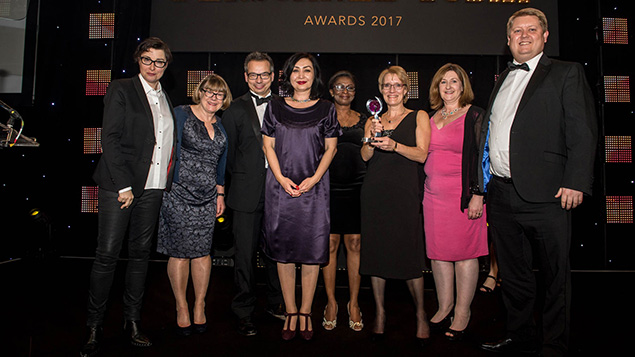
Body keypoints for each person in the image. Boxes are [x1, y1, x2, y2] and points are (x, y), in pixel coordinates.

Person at [479, 8, 597, 356]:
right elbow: (489, 135)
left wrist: (576, 180)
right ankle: (520, 335)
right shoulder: (501, 79)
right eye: (517, 31)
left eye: (532, 30)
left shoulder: (566, 73)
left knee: (554, 277)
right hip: (501, 194)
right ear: (508, 39)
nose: (524, 36)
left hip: (548, 194)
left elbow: (583, 131)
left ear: (545, 36)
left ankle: (554, 344)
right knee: (514, 276)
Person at [81, 37, 176, 357]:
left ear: (166, 65)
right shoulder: (121, 89)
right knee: (106, 256)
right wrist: (123, 187)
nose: (153, 66)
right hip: (119, 188)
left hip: (152, 189)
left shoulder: (165, 98)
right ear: (138, 60)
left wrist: (163, 183)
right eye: (148, 60)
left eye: (159, 62)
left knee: (139, 257)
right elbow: (109, 138)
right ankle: (94, 326)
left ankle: (132, 322)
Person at [261, 52, 340, 341]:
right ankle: (291, 310)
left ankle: (306, 310)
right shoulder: (275, 107)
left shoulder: (327, 108)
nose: (301, 75)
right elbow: (267, 146)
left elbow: (331, 149)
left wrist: (313, 179)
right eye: (296, 70)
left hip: (315, 189)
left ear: (315, 74)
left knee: (311, 251)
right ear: (288, 76)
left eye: (307, 69)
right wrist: (281, 179)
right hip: (280, 188)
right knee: (282, 251)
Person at [359, 65, 431, 344]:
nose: (392, 90)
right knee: (376, 254)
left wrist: (395, 145)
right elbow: (365, 156)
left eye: (397, 85)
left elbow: (422, 155)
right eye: (387, 85)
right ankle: (379, 312)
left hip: (404, 193)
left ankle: (421, 313)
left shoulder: (418, 116)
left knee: (409, 254)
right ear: (381, 90)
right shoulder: (372, 118)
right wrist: (371, 137)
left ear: (406, 89)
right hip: (375, 192)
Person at [156, 74, 230, 336]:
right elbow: (162, 146)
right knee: (180, 253)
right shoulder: (180, 114)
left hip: (208, 198)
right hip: (177, 195)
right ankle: (181, 307)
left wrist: (220, 194)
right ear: (200, 92)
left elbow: (220, 163)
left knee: (202, 253)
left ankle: (199, 305)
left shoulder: (220, 126)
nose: (213, 98)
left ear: (224, 99)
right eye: (209, 92)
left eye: (219, 94)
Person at [423, 63, 488, 341]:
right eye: (442, 82)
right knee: (438, 256)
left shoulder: (474, 115)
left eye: (453, 81)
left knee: (464, 256)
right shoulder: (429, 117)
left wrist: (478, 194)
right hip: (432, 197)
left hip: (464, 198)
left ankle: (462, 311)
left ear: (463, 86)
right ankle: (445, 304)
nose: (448, 87)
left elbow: (485, 157)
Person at [223, 52, 285, 337]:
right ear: (245, 76)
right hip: (246, 192)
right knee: (245, 257)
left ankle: (277, 303)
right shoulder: (234, 109)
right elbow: (229, 155)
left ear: (273, 76)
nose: (259, 80)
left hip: (279, 192)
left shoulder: (285, 106)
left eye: (264, 74)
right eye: (253, 74)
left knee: (277, 254)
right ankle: (244, 312)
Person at [321, 71, 367, 332]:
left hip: (357, 188)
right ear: (331, 90)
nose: (344, 91)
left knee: (355, 244)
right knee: (329, 245)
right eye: (339, 86)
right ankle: (330, 302)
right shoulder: (321, 118)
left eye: (350, 87)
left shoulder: (365, 119)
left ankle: (354, 303)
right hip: (327, 188)